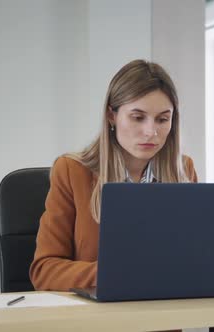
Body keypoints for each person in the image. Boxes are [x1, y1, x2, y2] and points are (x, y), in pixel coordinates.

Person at [29, 59, 198, 291]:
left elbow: (194, 259)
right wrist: (117, 272)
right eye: (138, 117)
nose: (151, 131)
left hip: (161, 318)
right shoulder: (71, 171)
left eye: (163, 119)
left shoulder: (183, 171)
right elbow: (44, 272)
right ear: (112, 115)